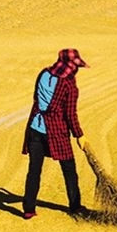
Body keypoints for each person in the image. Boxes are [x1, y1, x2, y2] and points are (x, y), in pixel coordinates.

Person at [22, 48, 87, 219]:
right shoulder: (69, 85)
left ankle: (28, 208)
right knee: (69, 170)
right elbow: (70, 114)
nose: (76, 69)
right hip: (56, 132)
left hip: (35, 129)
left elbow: (36, 99)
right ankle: (75, 206)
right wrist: (79, 135)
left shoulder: (43, 73)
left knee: (34, 171)